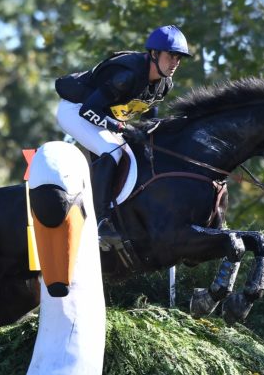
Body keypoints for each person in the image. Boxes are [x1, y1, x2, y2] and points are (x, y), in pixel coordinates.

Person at [54, 25, 191, 227]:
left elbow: (147, 120)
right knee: (112, 150)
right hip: (76, 110)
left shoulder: (164, 84)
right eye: (171, 56)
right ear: (154, 53)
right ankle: (101, 221)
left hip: (102, 113)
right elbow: (88, 110)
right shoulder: (127, 76)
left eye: (179, 58)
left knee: (139, 152)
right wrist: (120, 128)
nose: (175, 63)